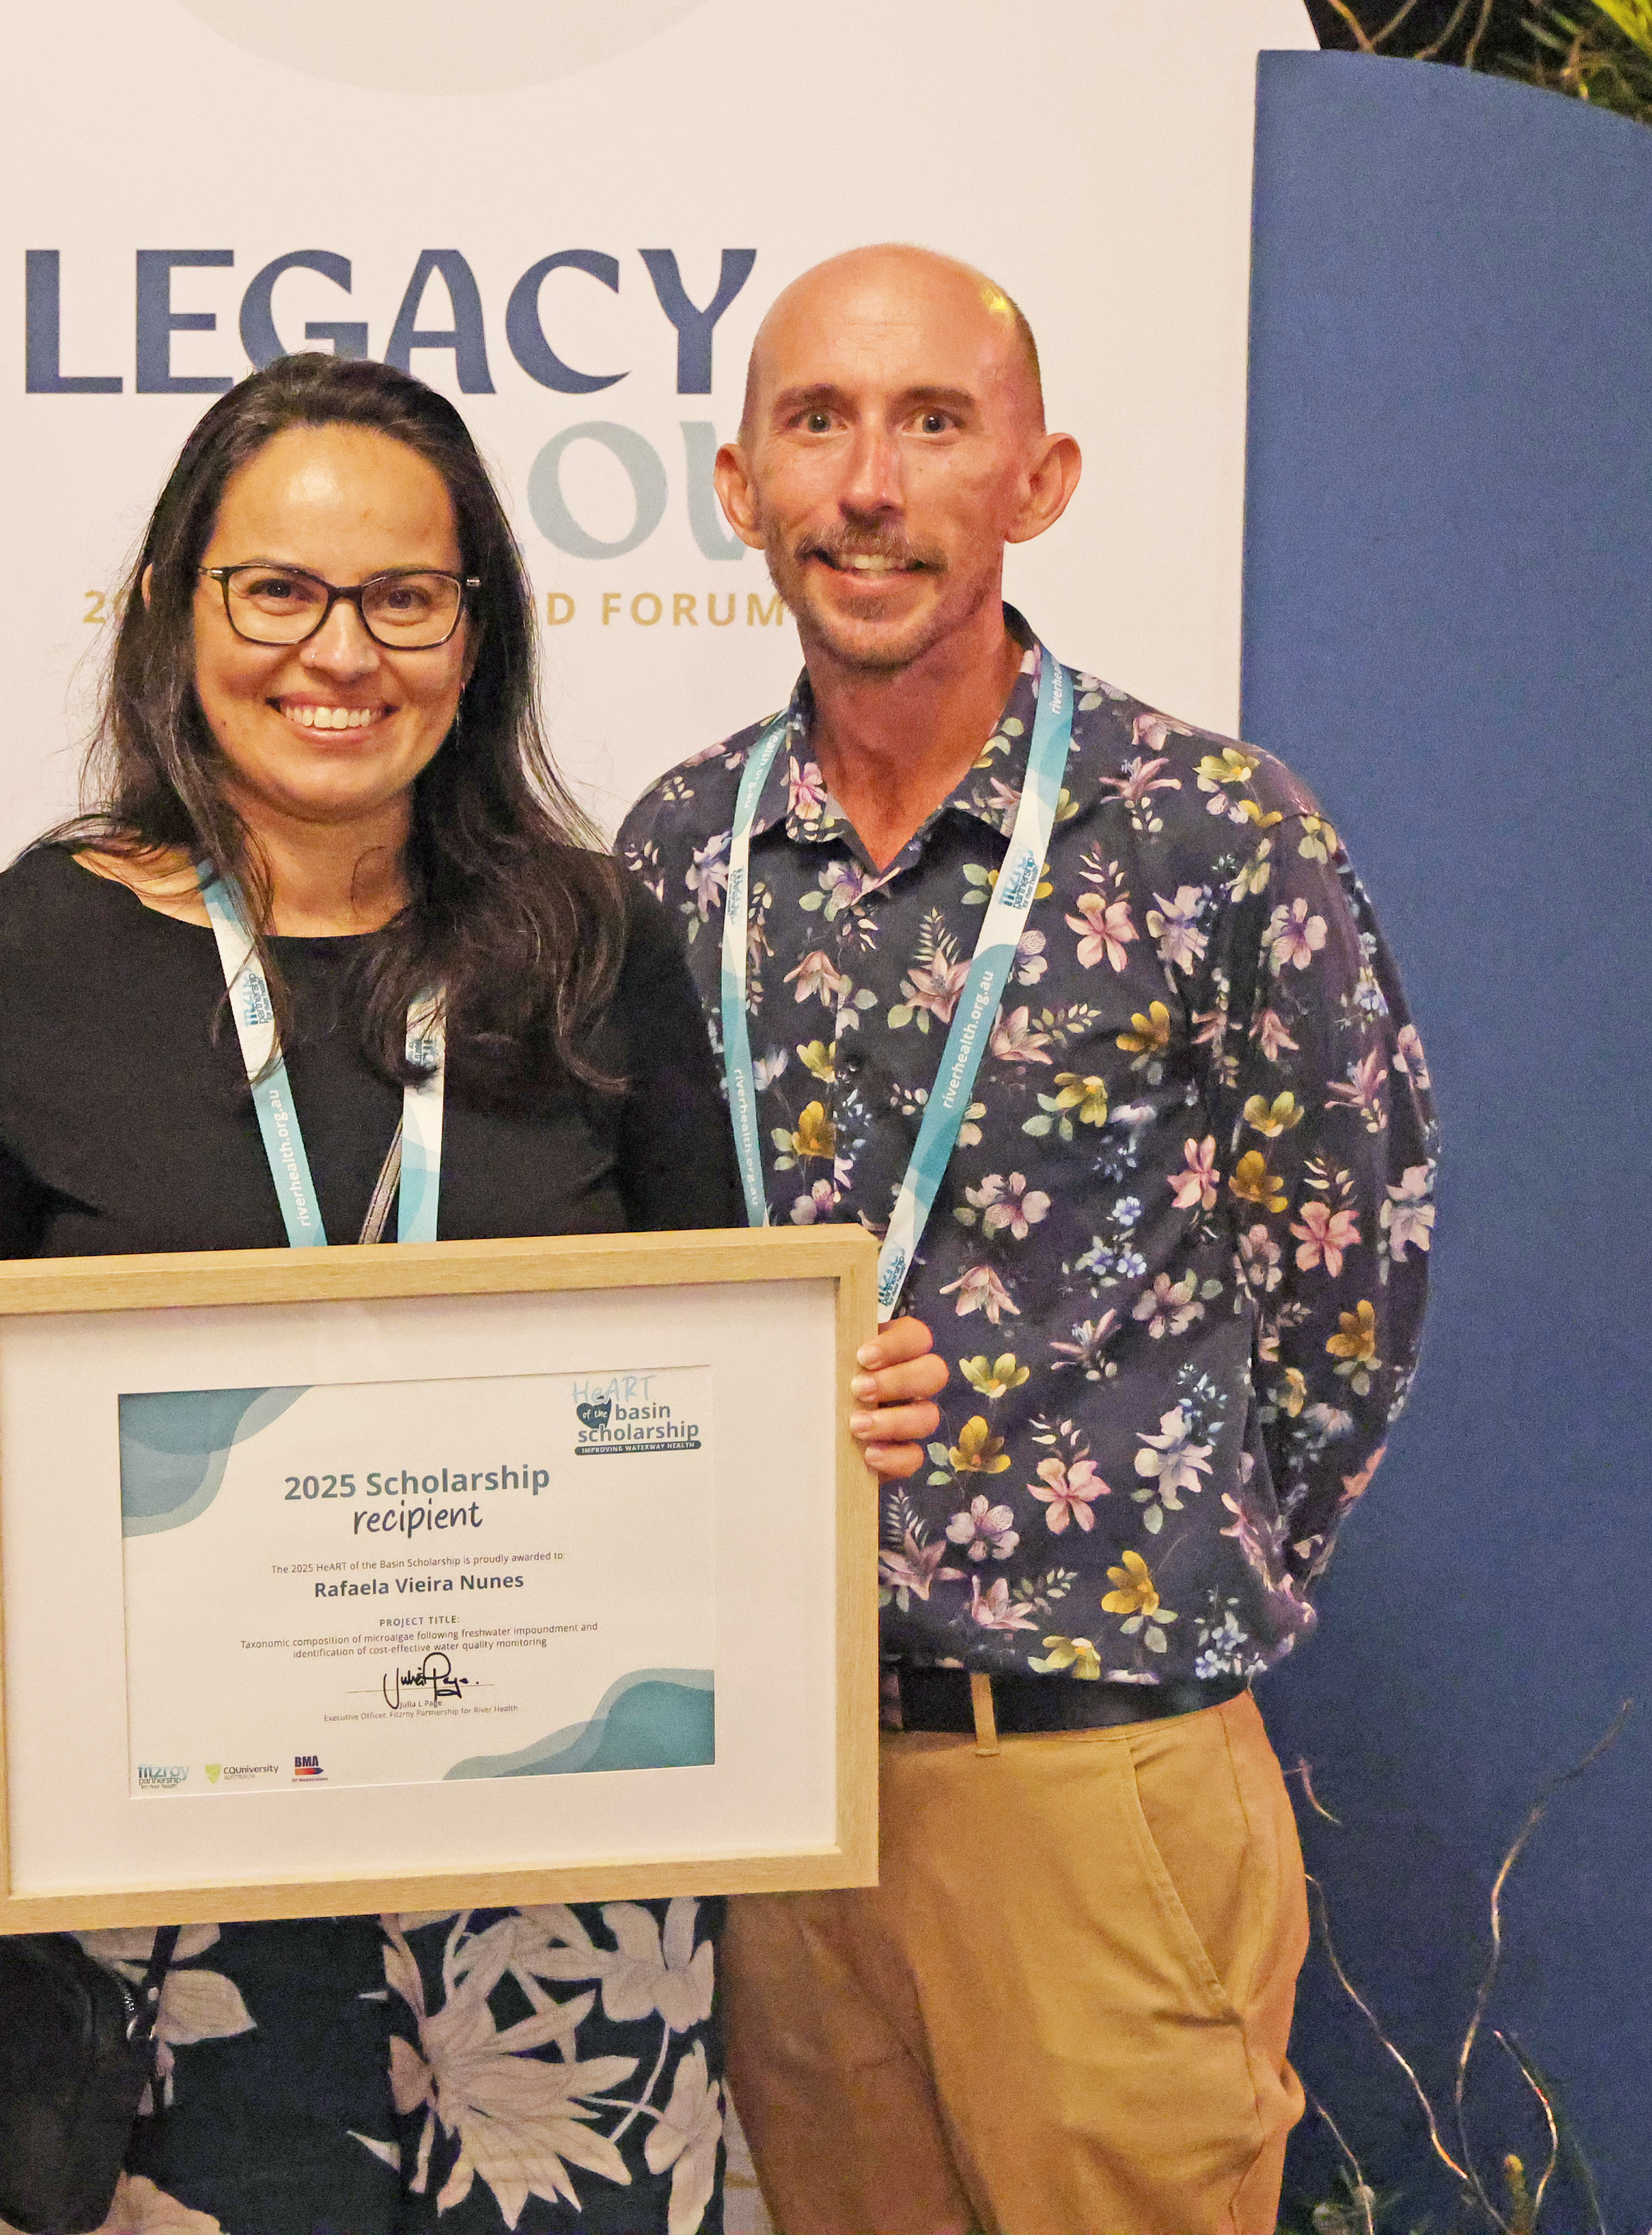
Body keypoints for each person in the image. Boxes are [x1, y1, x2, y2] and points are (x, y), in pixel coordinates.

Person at [0, 352, 949, 2235]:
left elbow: (726, 1356)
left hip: (564, 1909)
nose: (337, 653)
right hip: (167, 1898)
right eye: (275, 591)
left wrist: (829, 1410)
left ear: (476, 630)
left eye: (401, 598)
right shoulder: (27, 956)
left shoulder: (591, 945)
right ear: (171, 607)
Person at [612, 245, 1438, 2233]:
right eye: (815, 423)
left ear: (1037, 479)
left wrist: (1154, 1564)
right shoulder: (675, 852)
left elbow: (1350, 1277)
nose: (866, 485)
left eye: (930, 423)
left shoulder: (1208, 835)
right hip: (783, 1791)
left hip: (1091, 1774)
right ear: (737, 486)